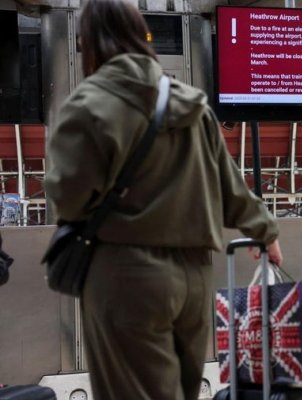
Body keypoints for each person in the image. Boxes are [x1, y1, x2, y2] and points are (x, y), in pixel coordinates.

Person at [44, 1, 282, 399]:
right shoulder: (192, 103)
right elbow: (230, 187)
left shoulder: (88, 106)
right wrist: (266, 231)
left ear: (88, 44)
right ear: (141, 36)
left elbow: (67, 199)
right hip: (194, 277)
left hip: (126, 275)